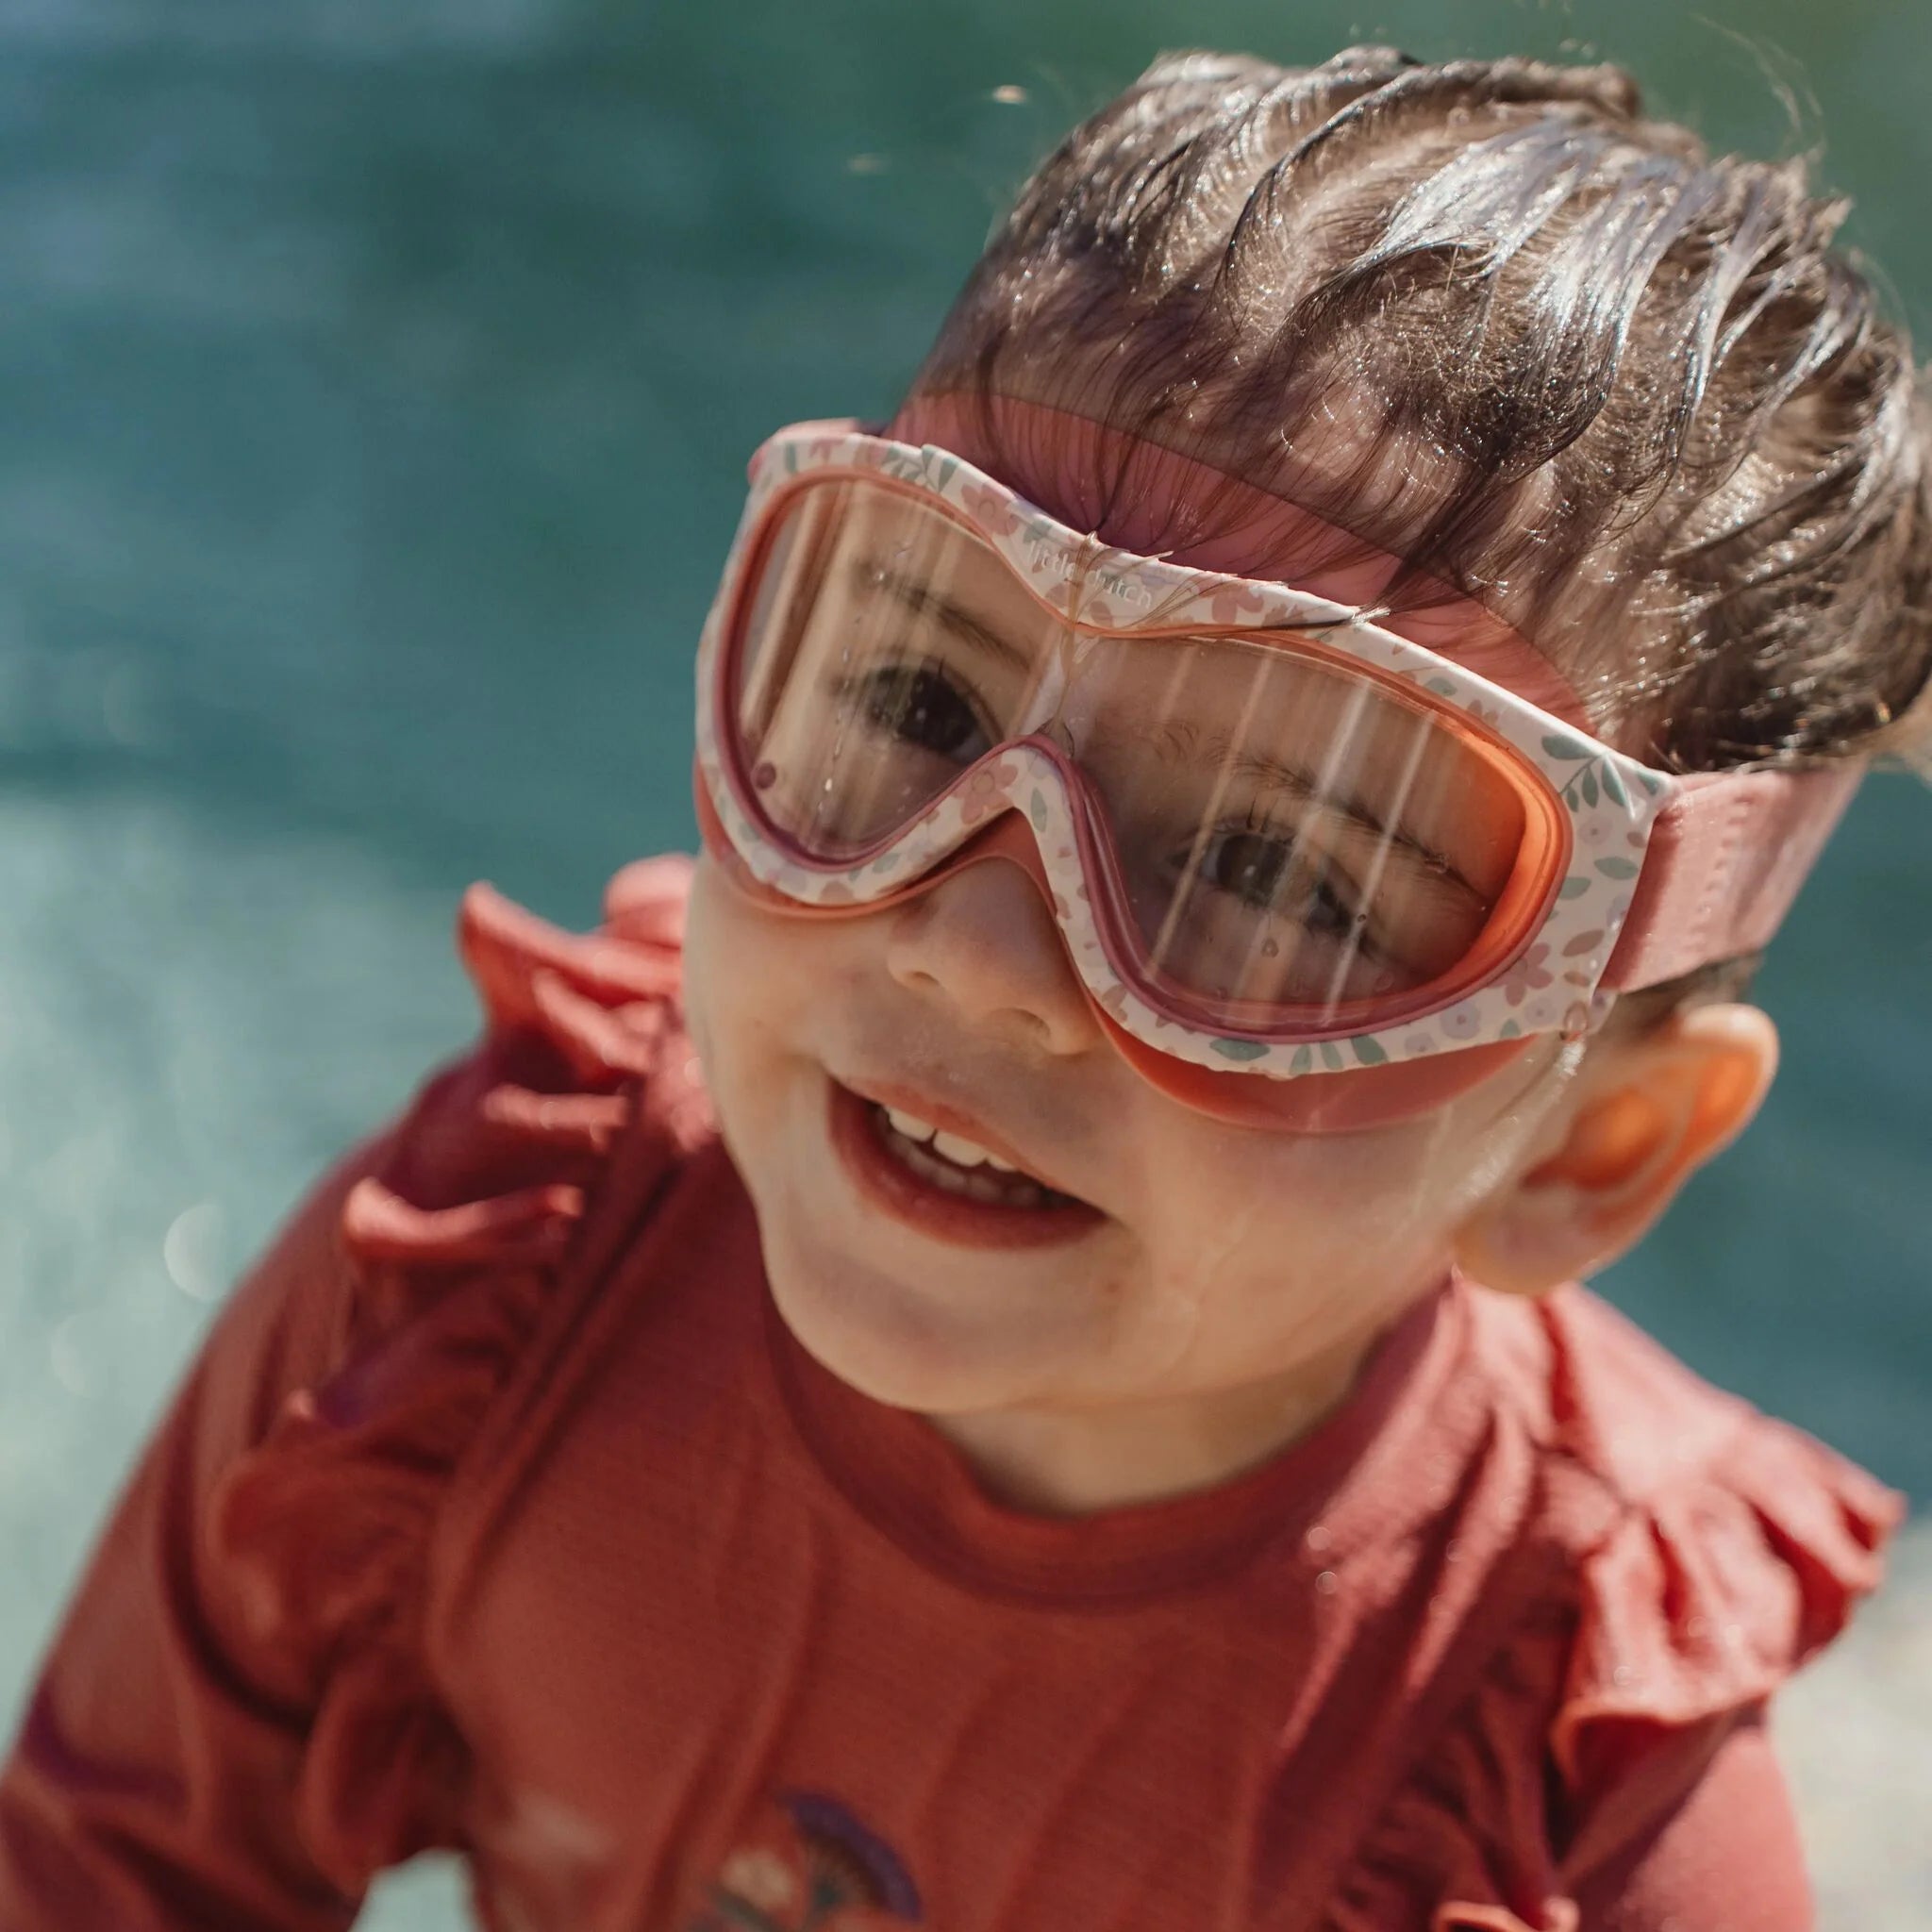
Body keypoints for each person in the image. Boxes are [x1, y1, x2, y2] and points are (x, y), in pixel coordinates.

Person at [0, 43, 1923, 1932]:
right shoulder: (493, 1265)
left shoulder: (1559, 1800)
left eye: (1275, 867)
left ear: (1593, 1145)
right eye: (919, 701)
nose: (976, 946)